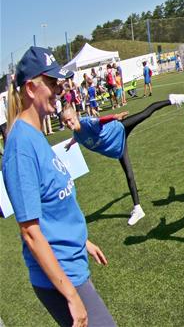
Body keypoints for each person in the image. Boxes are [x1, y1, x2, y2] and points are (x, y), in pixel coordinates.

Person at [3, 46, 116, 326]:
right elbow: (30, 232)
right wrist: (70, 295)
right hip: (60, 276)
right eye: (52, 83)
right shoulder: (21, 147)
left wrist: (83, 241)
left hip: (71, 263)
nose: (59, 89)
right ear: (31, 88)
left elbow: (52, 203)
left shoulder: (35, 134)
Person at [61, 93, 184, 226]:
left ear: (76, 116)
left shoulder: (86, 123)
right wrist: (71, 143)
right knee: (129, 175)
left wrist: (114, 117)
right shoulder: (76, 133)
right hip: (118, 146)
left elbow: (100, 120)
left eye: (70, 119)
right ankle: (138, 209)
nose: (69, 123)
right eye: (65, 122)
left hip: (119, 129)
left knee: (145, 113)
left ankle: (172, 100)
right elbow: (78, 137)